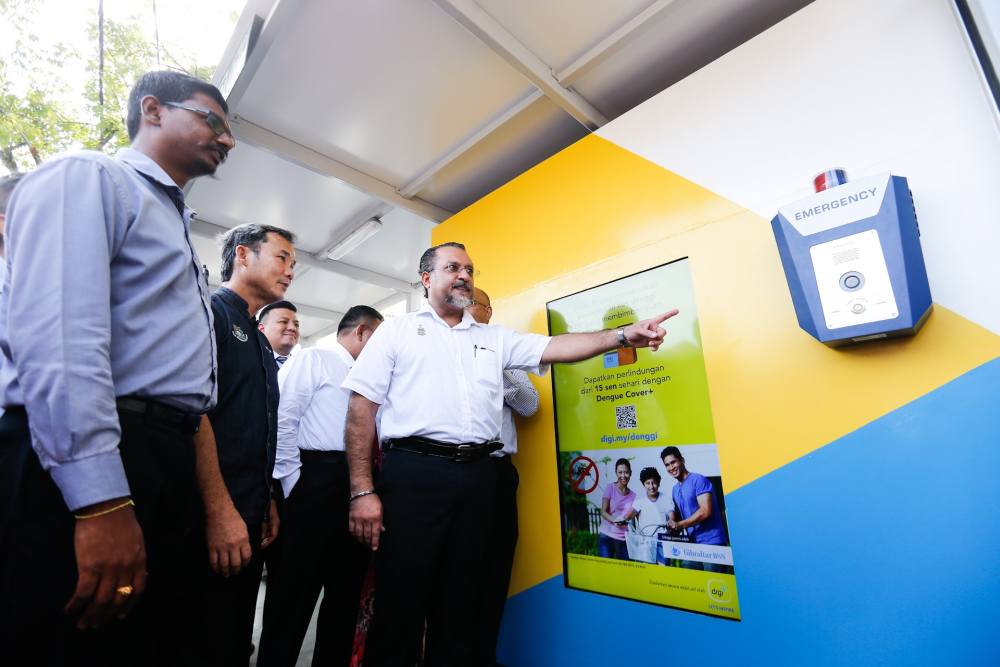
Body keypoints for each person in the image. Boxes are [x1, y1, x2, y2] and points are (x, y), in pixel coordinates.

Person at [343, 241, 677, 667]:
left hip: (480, 477)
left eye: (470, 269)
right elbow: (360, 410)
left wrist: (622, 335)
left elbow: (558, 347)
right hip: (414, 475)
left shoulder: (495, 339)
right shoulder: (397, 331)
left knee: (462, 600)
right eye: (452, 267)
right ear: (426, 279)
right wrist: (361, 491)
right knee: (402, 598)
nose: (464, 275)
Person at [0, 70, 231, 665]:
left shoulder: (175, 222)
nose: (226, 140)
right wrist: (99, 502)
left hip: (161, 456)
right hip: (104, 453)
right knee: (77, 639)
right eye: (212, 119)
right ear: (152, 110)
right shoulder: (91, 178)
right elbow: (60, 340)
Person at [192, 222, 295, 664]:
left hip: (250, 515)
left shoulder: (257, 339)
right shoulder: (210, 314)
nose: (290, 271)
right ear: (242, 255)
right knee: (201, 635)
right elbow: (193, 413)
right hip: (209, 517)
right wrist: (219, 512)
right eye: (282, 258)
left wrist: (268, 495)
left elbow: (259, 429)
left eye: (294, 264)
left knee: (235, 636)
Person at [258, 305, 383, 667]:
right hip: (313, 481)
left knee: (345, 596)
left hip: (357, 484)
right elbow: (283, 420)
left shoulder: (370, 376)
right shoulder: (316, 359)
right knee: (292, 598)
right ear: (361, 331)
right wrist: (294, 487)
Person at [466, 287, 540, 666]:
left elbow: (529, 404)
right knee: (457, 570)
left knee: (494, 568)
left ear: (488, 311)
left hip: (496, 473)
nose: (464, 307)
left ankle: (484, 656)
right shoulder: (443, 350)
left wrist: (497, 373)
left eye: (472, 302)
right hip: (453, 472)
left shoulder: (503, 352)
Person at [661, 446, 731, 573]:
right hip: (693, 544)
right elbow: (681, 517)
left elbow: (705, 510)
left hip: (712, 543)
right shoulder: (675, 489)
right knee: (690, 573)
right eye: (667, 465)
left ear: (682, 460)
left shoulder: (698, 480)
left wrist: (680, 524)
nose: (671, 467)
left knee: (715, 584)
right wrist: (672, 526)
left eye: (673, 462)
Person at [625, 466, 674, 563]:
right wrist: (622, 519)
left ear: (658, 483)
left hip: (662, 541)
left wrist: (671, 521)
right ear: (644, 484)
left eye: (654, 483)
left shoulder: (666, 499)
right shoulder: (640, 501)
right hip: (645, 542)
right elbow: (629, 515)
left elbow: (671, 514)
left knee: (663, 570)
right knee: (647, 570)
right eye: (648, 483)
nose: (651, 486)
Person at [599, 458, 636, 560]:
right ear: (616, 473)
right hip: (607, 536)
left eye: (626, 472)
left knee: (625, 571)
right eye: (620, 472)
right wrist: (614, 520)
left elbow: (630, 516)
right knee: (606, 570)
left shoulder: (633, 495)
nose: (623, 476)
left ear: (630, 473)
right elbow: (603, 511)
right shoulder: (610, 487)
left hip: (623, 538)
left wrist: (625, 520)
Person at [259, 300, 300, 366]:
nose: (293, 328)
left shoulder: (305, 366)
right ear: (261, 329)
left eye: (296, 324)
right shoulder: (246, 360)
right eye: (283, 321)